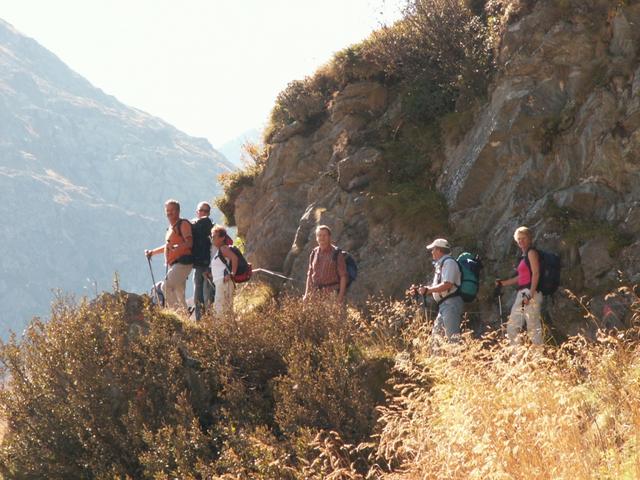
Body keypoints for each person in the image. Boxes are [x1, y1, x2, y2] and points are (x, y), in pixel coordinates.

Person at [496, 226, 543, 345]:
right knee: (512, 327)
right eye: (519, 239)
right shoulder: (523, 256)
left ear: (529, 239)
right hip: (522, 294)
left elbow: (536, 273)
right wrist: (503, 283)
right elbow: (521, 277)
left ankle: (539, 359)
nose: (521, 241)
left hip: (529, 293)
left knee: (533, 327)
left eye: (524, 238)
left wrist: (530, 295)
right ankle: (517, 359)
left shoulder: (531, 253)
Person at [145, 199, 193, 311]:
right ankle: (184, 317)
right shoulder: (171, 228)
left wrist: (177, 248)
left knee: (165, 286)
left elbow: (189, 242)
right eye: (167, 210)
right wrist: (152, 252)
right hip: (176, 264)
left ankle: (176, 314)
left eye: (172, 210)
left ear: (178, 211)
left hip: (183, 263)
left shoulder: (183, 224)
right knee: (179, 293)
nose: (169, 213)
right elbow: (167, 246)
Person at [418, 238, 463, 342]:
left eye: (433, 249)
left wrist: (429, 290)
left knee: (453, 338)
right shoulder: (442, 264)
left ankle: (455, 357)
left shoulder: (449, 263)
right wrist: (424, 290)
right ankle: (437, 358)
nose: (432, 252)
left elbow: (448, 284)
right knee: (436, 339)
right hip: (445, 305)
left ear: (439, 250)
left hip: (451, 304)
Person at [303, 225, 348, 304]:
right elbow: (309, 275)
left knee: (331, 316)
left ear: (329, 237)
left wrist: (340, 297)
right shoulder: (314, 252)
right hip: (315, 294)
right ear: (317, 238)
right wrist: (306, 294)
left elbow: (343, 276)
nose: (322, 238)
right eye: (319, 235)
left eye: (324, 235)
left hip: (332, 294)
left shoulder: (337, 253)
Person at [191, 201, 215, 321]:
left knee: (207, 297)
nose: (203, 213)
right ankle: (200, 323)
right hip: (198, 266)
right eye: (201, 210)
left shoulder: (212, 228)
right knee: (198, 297)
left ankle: (207, 324)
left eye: (206, 211)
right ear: (197, 212)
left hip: (208, 266)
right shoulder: (193, 226)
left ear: (209, 213)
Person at [208, 226, 238, 317]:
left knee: (220, 311)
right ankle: (228, 330)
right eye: (212, 236)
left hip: (225, 283)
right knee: (224, 311)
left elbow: (234, 258)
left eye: (214, 236)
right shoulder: (220, 250)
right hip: (222, 283)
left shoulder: (223, 249)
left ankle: (224, 330)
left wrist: (232, 274)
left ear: (222, 238)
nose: (212, 238)